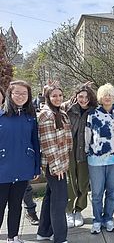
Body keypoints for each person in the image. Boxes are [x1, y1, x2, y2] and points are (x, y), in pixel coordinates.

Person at [85, 83, 114, 234]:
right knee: (97, 192)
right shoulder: (93, 114)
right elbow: (87, 135)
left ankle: (108, 219)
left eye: (110, 94)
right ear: (100, 97)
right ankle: (97, 220)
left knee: (112, 191)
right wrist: (87, 152)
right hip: (95, 160)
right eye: (105, 94)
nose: (108, 97)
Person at [0, 80, 41, 243]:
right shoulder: (1, 116)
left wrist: (36, 167)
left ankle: (13, 237)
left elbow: (35, 143)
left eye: (24, 93)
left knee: (16, 205)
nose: (20, 96)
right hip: (2, 168)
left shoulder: (30, 117)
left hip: (23, 166)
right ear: (10, 94)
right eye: (17, 93)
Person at [37, 85, 72, 243]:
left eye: (60, 95)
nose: (58, 98)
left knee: (51, 196)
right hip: (54, 166)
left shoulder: (60, 112)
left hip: (62, 163)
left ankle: (44, 231)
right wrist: (57, 167)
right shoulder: (46, 115)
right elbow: (48, 144)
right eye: (54, 96)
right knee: (60, 200)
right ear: (47, 98)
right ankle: (60, 237)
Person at [63, 84, 97, 228]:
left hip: (86, 149)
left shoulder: (94, 111)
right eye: (81, 96)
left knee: (83, 182)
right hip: (70, 148)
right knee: (70, 181)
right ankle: (69, 210)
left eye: (86, 97)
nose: (83, 100)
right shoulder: (68, 109)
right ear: (76, 96)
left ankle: (79, 210)